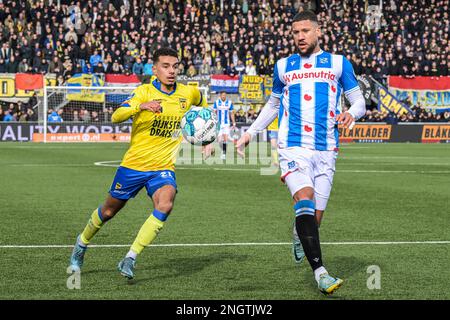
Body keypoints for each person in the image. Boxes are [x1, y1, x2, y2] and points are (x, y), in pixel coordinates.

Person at [236, 10, 366, 295]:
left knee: (313, 219)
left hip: (326, 149)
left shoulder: (337, 63)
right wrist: (249, 133)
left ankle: (298, 232)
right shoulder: (284, 66)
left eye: (305, 31)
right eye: (295, 32)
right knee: (304, 199)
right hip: (293, 146)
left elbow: (359, 101)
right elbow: (272, 105)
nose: (300, 36)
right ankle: (321, 273)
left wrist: (350, 114)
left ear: (318, 32)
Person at [68, 47, 208, 279]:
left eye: (175, 66)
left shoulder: (188, 93)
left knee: (165, 203)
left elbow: (204, 107)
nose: (171, 71)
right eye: (165, 66)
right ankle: (81, 243)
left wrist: (206, 139)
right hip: (134, 166)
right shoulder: (143, 92)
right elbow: (116, 117)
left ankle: (130, 258)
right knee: (109, 211)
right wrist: (141, 106)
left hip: (162, 167)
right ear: (155, 69)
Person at [213, 91, 236, 160]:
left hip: (226, 124)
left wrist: (234, 123)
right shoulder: (216, 102)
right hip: (219, 123)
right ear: (220, 96)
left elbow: (232, 114)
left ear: (226, 96)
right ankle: (223, 150)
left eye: (225, 95)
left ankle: (223, 153)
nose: (224, 96)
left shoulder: (229, 103)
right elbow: (214, 112)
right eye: (222, 95)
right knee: (219, 140)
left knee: (225, 139)